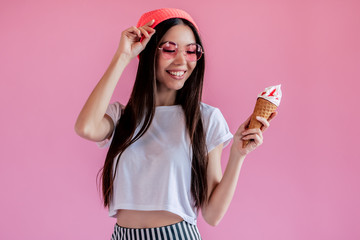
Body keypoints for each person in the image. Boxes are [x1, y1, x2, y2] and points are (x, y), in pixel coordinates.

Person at [75, 8, 276, 240]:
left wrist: (238, 156)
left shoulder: (206, 119)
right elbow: (86, 128)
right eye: (170, 49)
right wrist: (123, 57)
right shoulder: (122, 117)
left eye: (191, 51)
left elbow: (212, 215)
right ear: (148, 51)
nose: (182, 61)